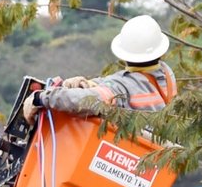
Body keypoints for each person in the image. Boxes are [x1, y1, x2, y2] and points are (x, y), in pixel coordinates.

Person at [20, 14, 177, 121]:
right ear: (159, 51)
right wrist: (90, 83)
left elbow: (84, 101)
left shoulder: (122, 88)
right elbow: (118, 84)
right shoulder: (166, 74)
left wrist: (40, 98)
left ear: (123, 54)